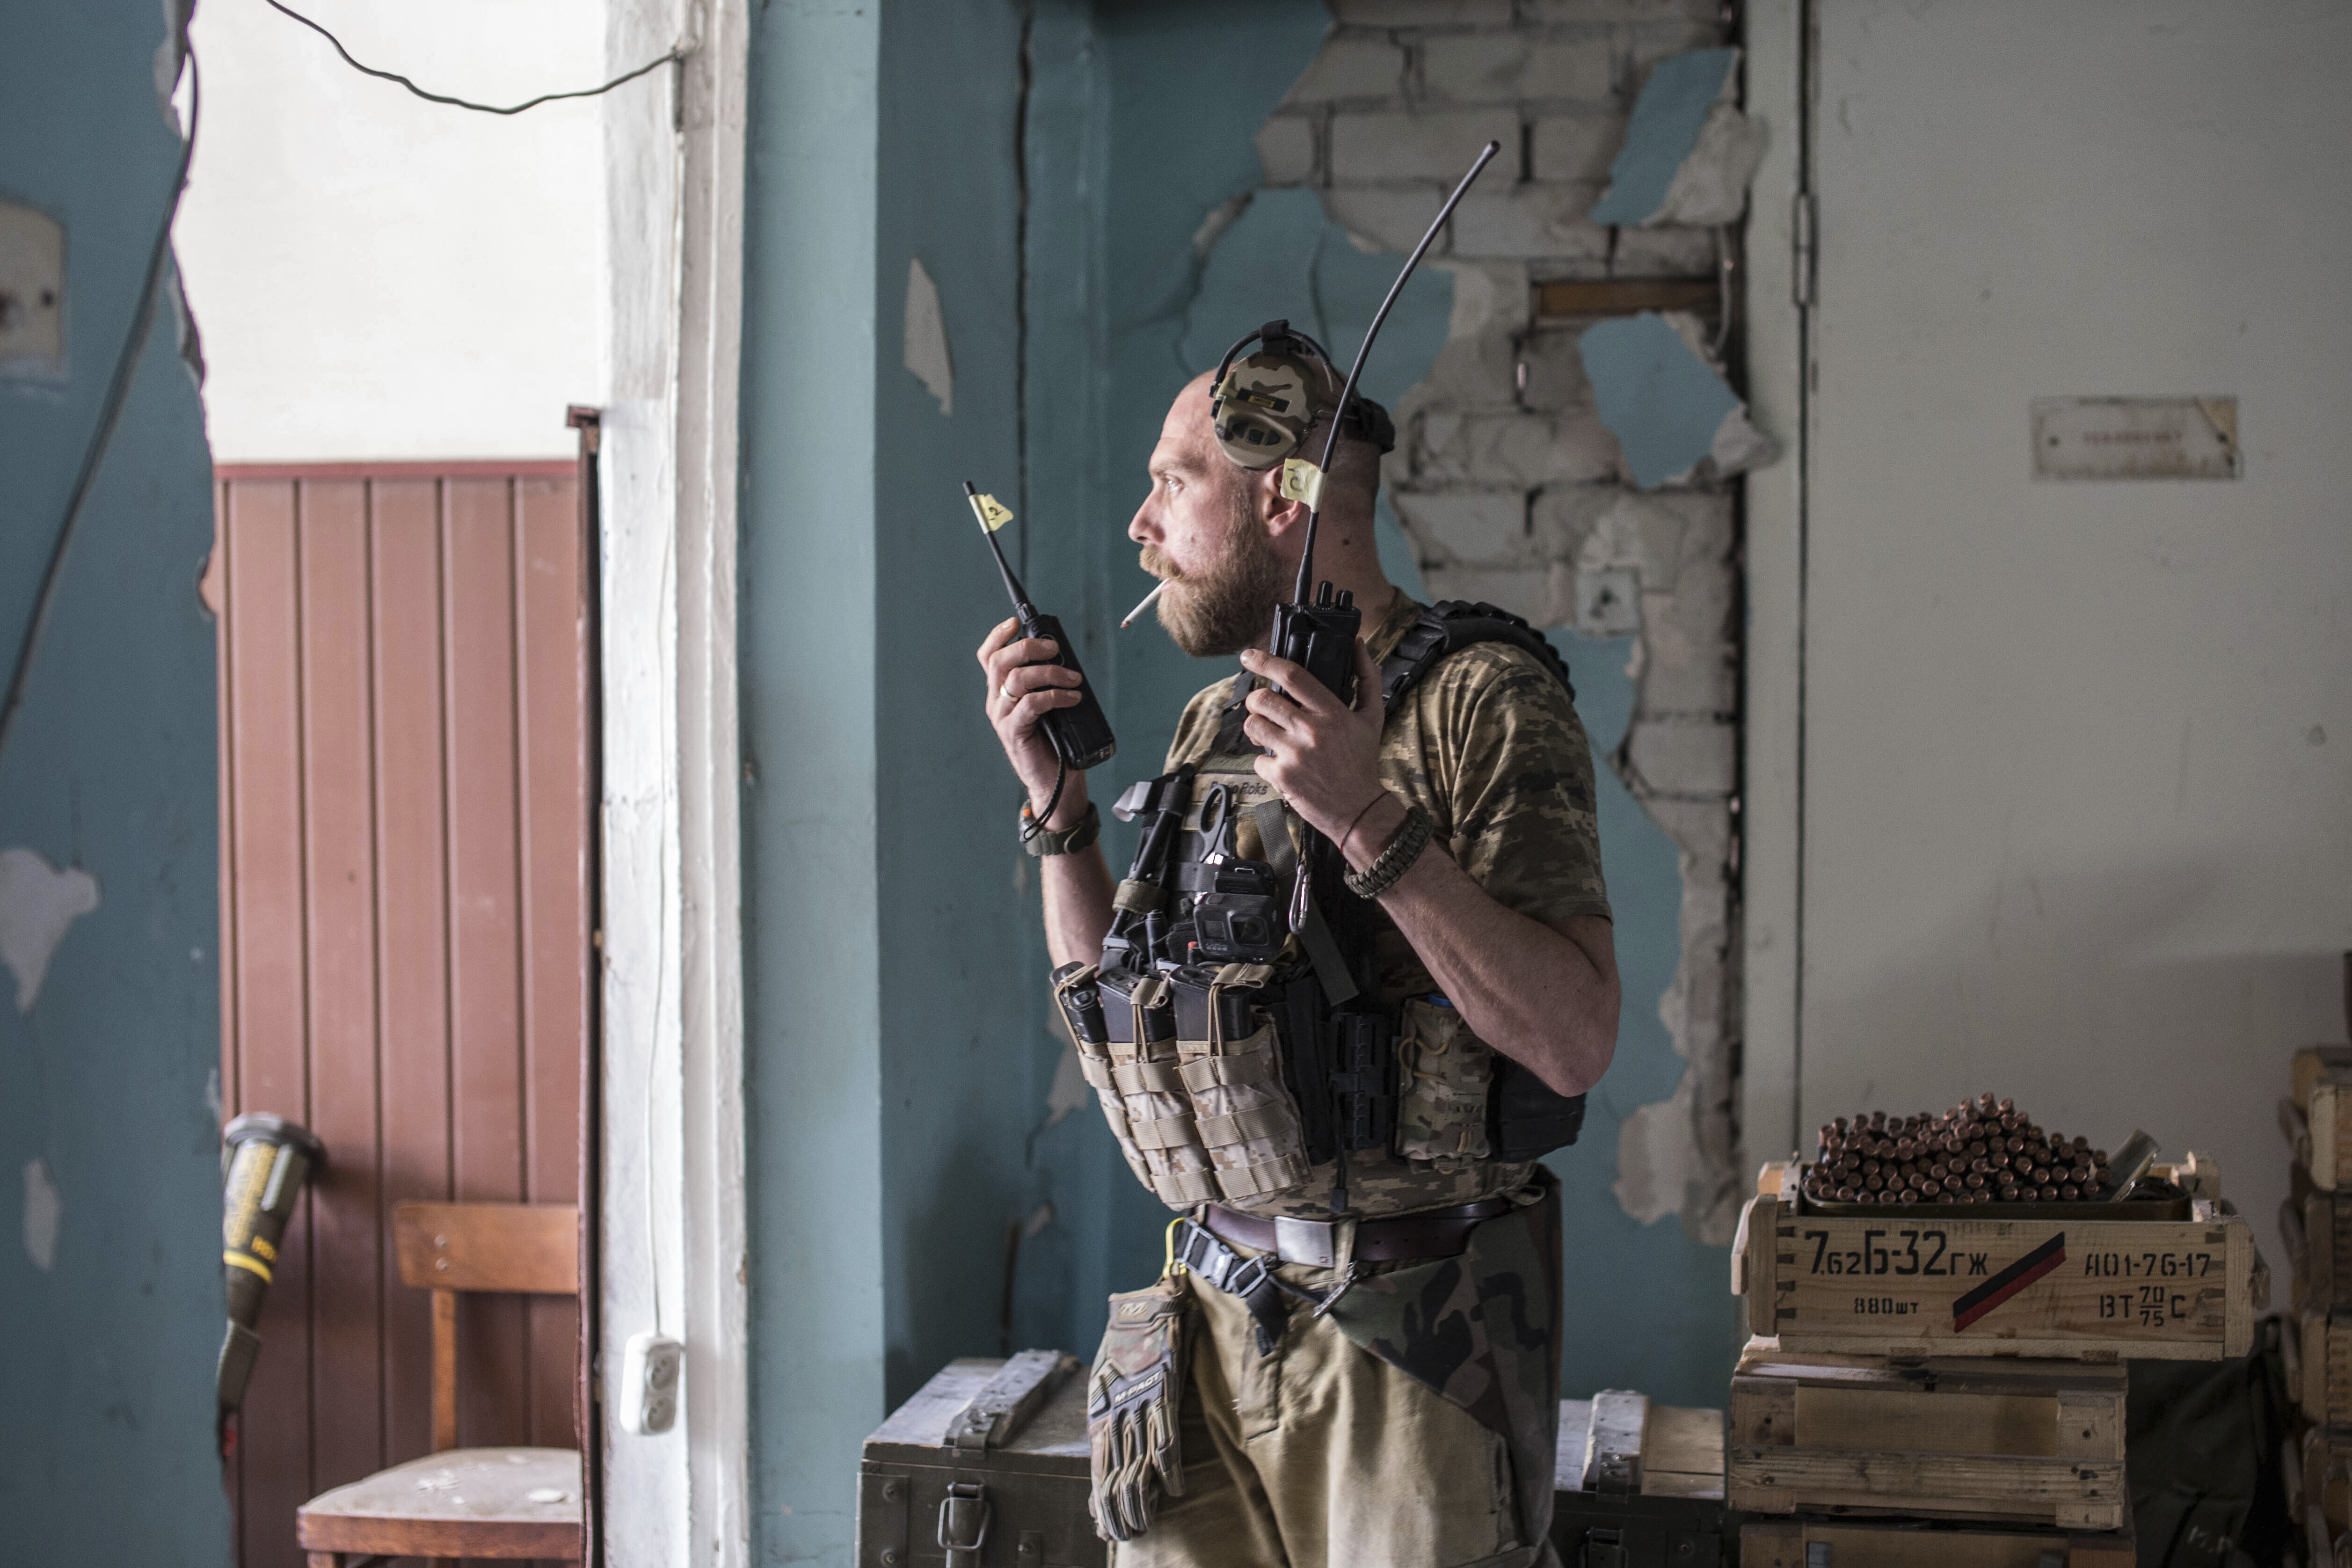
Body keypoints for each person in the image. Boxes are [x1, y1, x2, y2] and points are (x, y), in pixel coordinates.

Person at [976, 359, 1620, 1568]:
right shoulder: (1214, 723)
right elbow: (1125, 1012)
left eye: (1174, 482)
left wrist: (1363, 819)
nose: (1141, 523)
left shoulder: (1486, 701)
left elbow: (1573, 1040)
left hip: (1409, 1353)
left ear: (1283, 501)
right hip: (1205, 1328)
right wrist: (1058, 817)